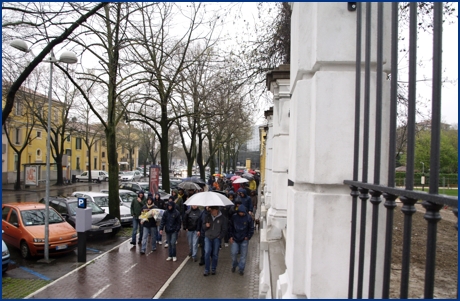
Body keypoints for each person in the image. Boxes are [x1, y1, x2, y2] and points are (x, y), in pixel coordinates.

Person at [228, 204, 254, 275]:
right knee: (233, 253)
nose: (241, 213)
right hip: (235, 238)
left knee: (243, 255)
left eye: (242, 212)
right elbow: (230, 227)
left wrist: (248, 236)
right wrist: (230, 236)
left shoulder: (248, 218)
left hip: (244, 239)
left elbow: (251, 228)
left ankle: (241, 269)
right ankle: (234, 264)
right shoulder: (234, 217)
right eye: (240, 212)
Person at [202, 206, 227, 276]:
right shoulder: (207, 217)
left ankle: (213, 268)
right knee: (207, 252)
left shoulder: (222, 218)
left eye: (212, 210)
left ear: (216, 210)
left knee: (215, 254)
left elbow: (224, 229)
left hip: (216, 238)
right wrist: (206, 226)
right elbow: (203, 227)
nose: (211, 211)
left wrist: (220, 236)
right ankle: (206, 269)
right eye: (210, 210)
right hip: (207, 237)